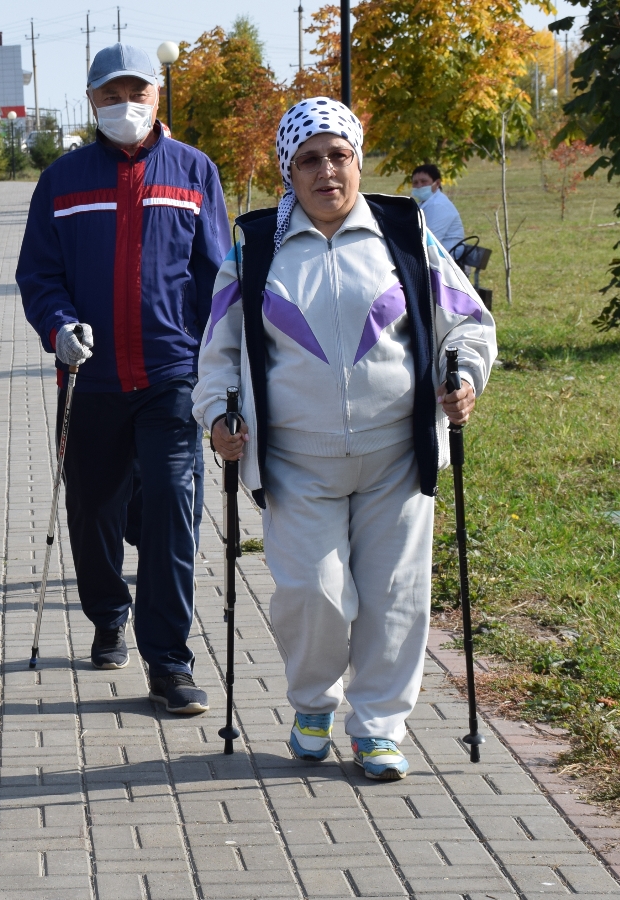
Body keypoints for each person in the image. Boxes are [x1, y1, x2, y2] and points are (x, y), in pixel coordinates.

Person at [198, 97, 496, 780]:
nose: (326, 171)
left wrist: (466, 375)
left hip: (396, 454)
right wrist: (218, 414)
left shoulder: (404, 232)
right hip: (298, 461)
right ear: (288, 171)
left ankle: (378, 728)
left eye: (339, 156)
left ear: (358, 161)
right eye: (309, 159)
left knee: (394, 593)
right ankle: (312, 702)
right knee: (315, 592)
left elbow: (469, 323)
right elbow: (217, 349)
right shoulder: (255, 246)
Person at [15, 43, 230, 714]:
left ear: (157, 95)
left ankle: (169, 662)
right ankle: (108, 611)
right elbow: (37, 273)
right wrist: (58, 327)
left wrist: (218, 365)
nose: (124, 105)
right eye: (110, 95)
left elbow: (217, 276)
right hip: (90, 381)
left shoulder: (195, 171)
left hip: (171, 378)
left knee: (172, 515)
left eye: (136, 91)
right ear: (91, 102)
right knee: (94, 513)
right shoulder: (63, 179)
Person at [411, 164, 466, 259]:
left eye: (424, 181)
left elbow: (428, 242)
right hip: (433, 258)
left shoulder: (438, 205)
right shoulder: (424, 204)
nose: (419, 186)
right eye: (415, 182)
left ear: (437, 183)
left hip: (446, 263)